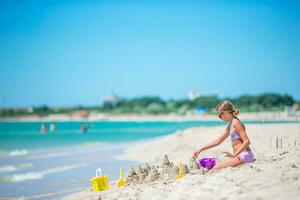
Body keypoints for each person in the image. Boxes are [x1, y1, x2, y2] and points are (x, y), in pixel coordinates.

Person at [192, 100, 255, 169]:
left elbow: (247, 141)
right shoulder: (230, 126)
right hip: (239, 156)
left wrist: (235, 154)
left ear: (225, 112)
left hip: (245, 156)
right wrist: (200, 149)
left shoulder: (236, 123)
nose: (219, 117)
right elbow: (218, 141)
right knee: (215, 165)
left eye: (219, 115)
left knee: (214, 167)